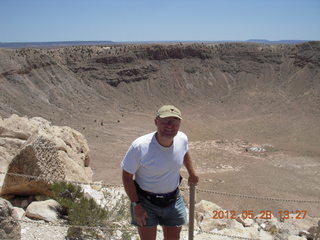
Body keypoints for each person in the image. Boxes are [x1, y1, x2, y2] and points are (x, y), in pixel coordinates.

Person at [121, 105, 199, 240]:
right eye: (165, 121)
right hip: (145, 202)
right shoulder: (140, 146)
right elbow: (127, 176)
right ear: (156, 122)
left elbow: (184, 152)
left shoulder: (182, 139)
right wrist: (136, 205)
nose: (170, 125)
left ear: (180, 124)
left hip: (173, 199)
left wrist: (192, 173)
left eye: (174, 122)